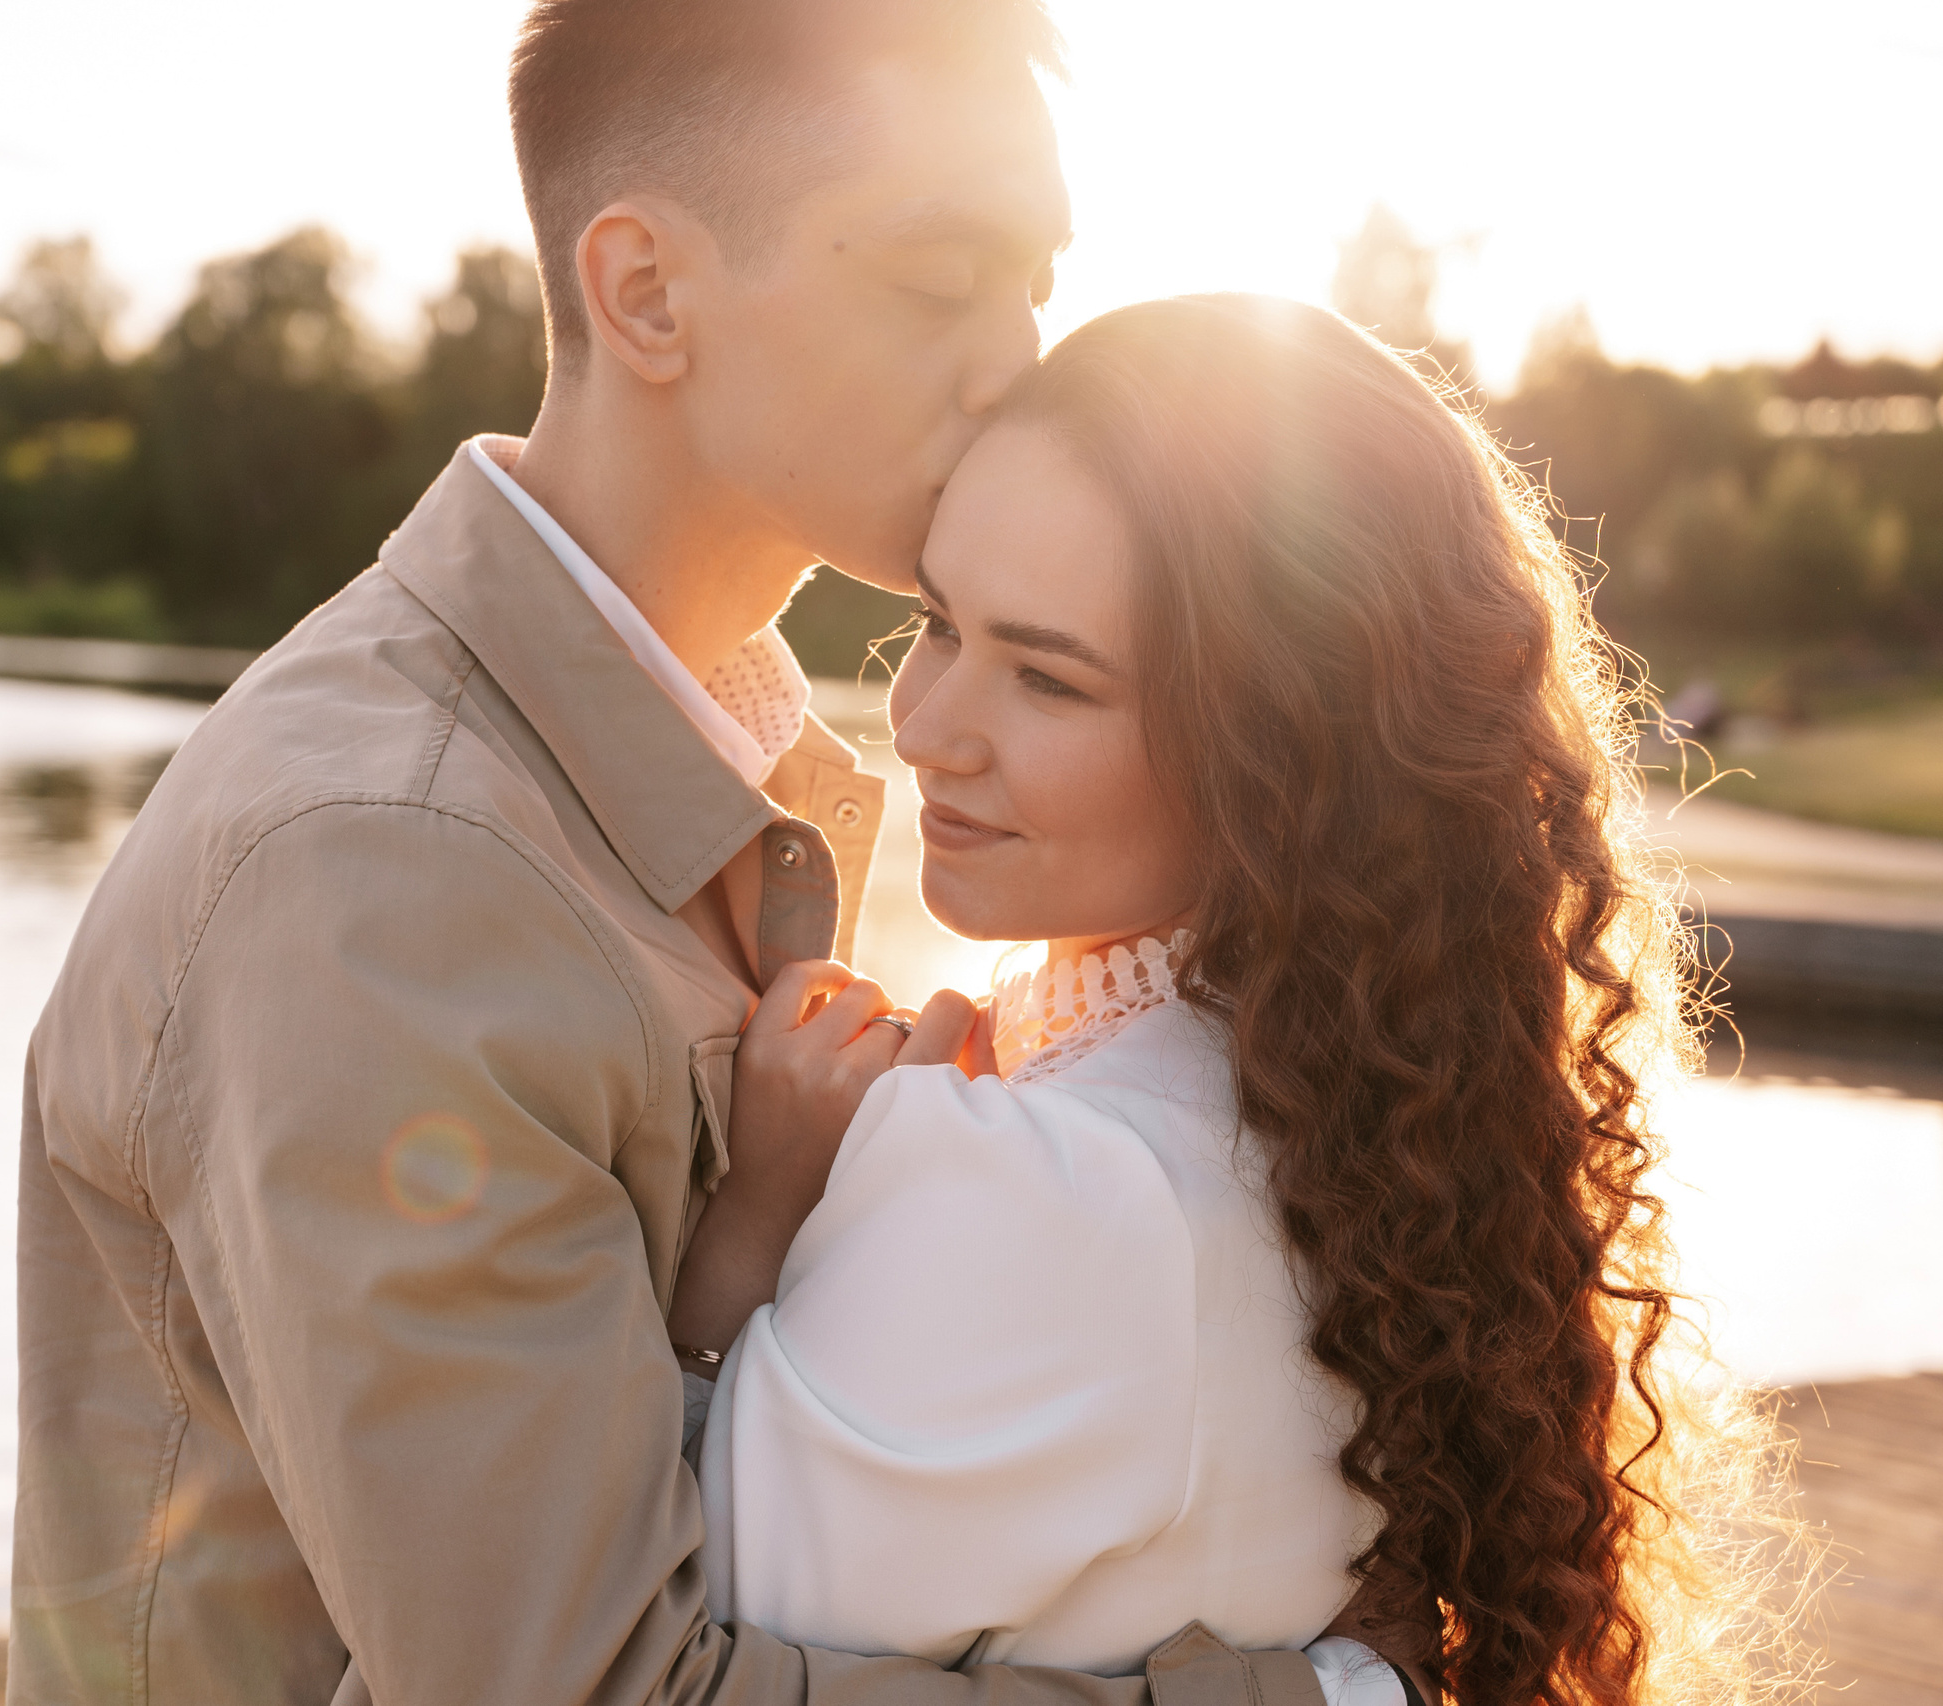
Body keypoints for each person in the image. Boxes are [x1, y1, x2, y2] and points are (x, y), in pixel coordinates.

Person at [9, 0, 1426, 1700]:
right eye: (936, 277)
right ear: (647, 292)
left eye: (1033, 279)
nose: (1014, 361)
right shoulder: (389, 869)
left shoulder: (704, 781)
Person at [666, 296, 1777, 1706]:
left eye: (1050, 678)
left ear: (1273, 755)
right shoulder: (1372, 1133)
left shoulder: (1051, 1189)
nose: (927, 721)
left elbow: (631, 1653)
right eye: (942, 620)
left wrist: (752, 1230)